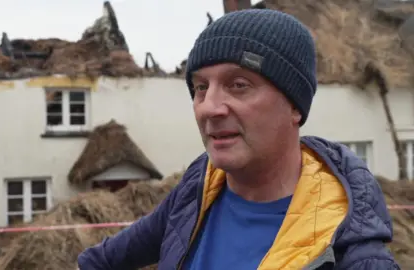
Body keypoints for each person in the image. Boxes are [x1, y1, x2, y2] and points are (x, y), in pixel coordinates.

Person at [77, 9, 400, 270]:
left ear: (294, 107)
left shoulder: (353, 255)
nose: (209, 108)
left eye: (239, 85)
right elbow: (98, 261)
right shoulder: (197, 189)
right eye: (201, 87)